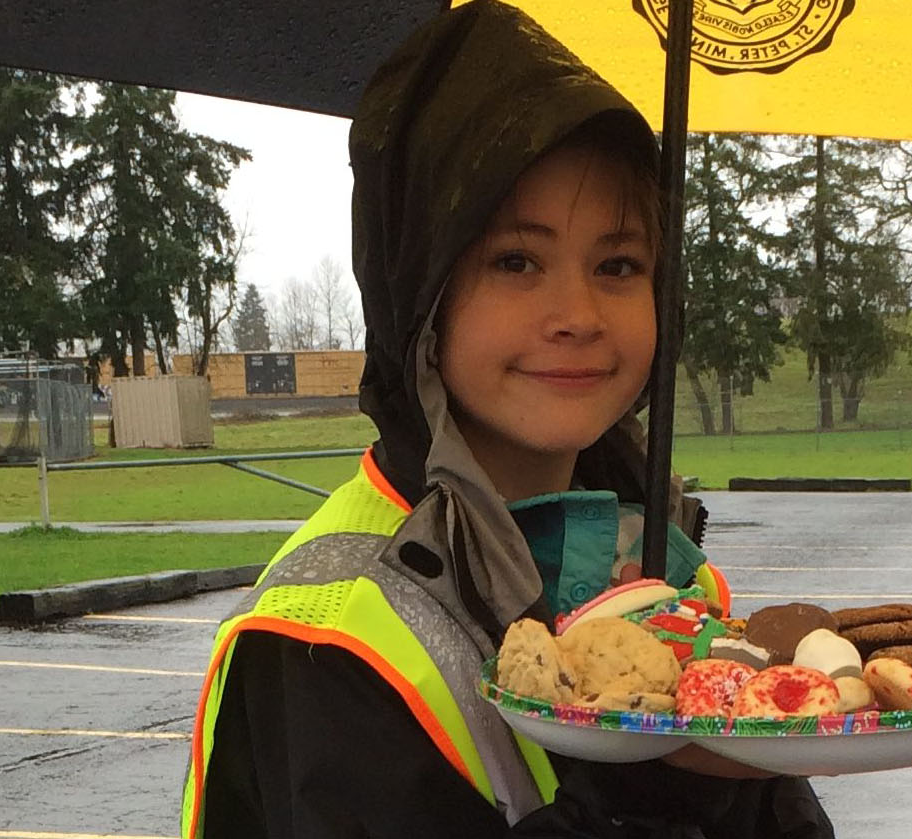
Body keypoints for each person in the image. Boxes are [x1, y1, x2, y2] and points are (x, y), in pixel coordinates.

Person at [178, 3, 835, 838]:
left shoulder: (674, 582)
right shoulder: (332, 633)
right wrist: (645, 795)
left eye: (619, 264)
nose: (579, 312)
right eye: (515, 261)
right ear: (420, 298)